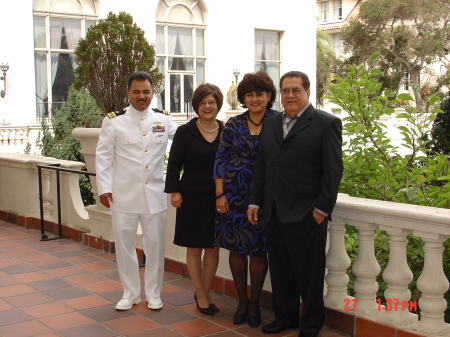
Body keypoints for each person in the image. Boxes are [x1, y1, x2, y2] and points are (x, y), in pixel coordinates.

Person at [247, 71, 343, 337]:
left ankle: (311, 326)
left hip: (307, 215)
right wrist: (255, 201)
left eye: (296, 90)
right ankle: (285, 318)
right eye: (285, 90)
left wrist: (321, 210)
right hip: (274, 212)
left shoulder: (326, 123)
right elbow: (262, 167)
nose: (290, 95)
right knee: (281, 272)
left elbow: (333, 171)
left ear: (307, 93)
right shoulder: (271, 123)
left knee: (309, 277)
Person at [96, 71, 178, 311]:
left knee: (155, 247)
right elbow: (103, 156)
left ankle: (153, 293)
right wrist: (104, 187)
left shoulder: (164, 120)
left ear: (153, 93)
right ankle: (130, 292)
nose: (142, 96)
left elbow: (186, 140)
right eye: (137, 91)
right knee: (124, 246)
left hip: (154, 194)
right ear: (128, 93)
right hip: (123, 195)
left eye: (146, 92)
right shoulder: (114, 121)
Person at [213, 71, 278, 328]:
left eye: (259, 94)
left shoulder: (278, 122)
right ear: (243, 98)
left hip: (266, 196)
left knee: (260, 251)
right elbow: (220, 159)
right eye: (248, 94)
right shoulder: (234, 124)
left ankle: (254, 304)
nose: (254, 98)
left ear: (268, 96)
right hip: (234, 196)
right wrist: (219, 194)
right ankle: (242, 300)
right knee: (238, 250)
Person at [164, 83, 223, 316]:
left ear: (218, 105)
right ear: (196, 106)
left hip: (218, 197)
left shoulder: (226, 130)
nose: (207, 106)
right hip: (191, 196)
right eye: (202, 102)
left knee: (213, 247)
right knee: (195, 245)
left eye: (211, 102)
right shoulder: (185, 132)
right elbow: (174, 164)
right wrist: (174, 191)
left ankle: (203, 292)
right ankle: (201, 293)